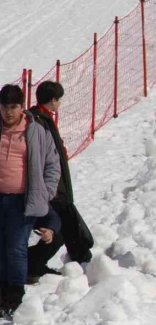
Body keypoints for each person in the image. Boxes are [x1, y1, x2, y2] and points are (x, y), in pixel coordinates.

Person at [0, 84, 60, 315]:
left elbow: (52, 166)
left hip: (21, 201)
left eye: (13, 106)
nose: (9, 112)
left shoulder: (35, 132)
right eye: (4, 107)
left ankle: (15, 293)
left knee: (15, 247)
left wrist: (44, 194)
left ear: (21, 107)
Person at [27, 81, 93, 284]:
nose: (60, 104)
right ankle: (31, 264)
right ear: (53, 100)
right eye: (59, 100)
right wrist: (49, 188)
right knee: (59, 228)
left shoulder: (43, 118)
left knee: (65, 227)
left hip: (56, 185)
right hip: (50, 188)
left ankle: (35, 263)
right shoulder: (37, 121)